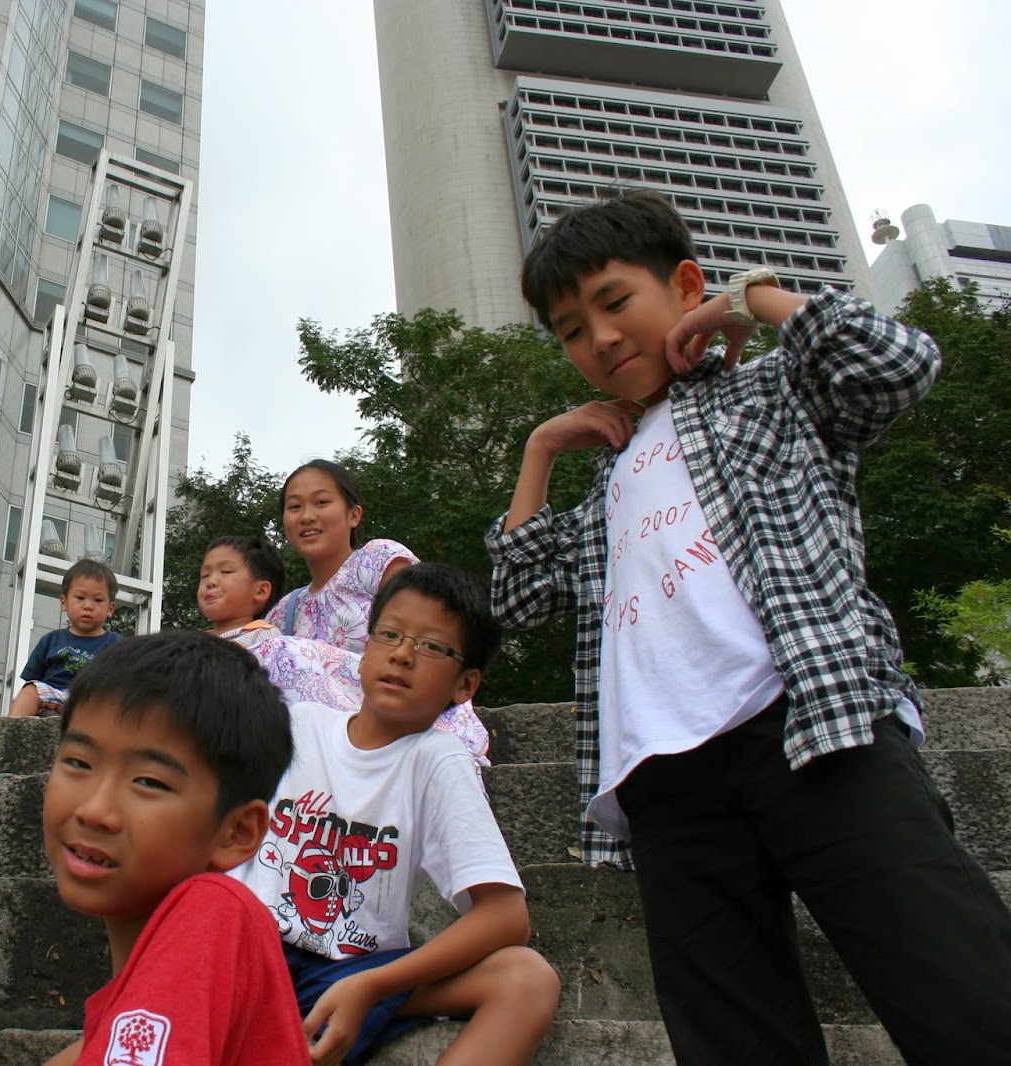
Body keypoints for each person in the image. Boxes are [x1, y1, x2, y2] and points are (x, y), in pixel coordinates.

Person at [486, 186, 1011, 1064]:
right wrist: (541, 450)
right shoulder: (609, 477)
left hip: (815, 725)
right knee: (734, 1041)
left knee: (960, 989)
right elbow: (517, 596)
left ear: (685, 285)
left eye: (615, 302)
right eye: (572, 329)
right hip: (663, 776)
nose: (600, 338)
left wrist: (753, 296)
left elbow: (897, 363)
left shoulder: (767, 391)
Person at [232, 563, 559, 1065]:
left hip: (350, 975)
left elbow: (506, 917)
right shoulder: (296, 725)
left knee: (528, 978)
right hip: (245, 950)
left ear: (465, 684)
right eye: (389, 634)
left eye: (431, 646)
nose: (402, 654)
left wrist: (372, 985)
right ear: (365, 648)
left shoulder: (438, 760)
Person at [42, 631, 311, 1066]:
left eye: (149, 782)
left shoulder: (214, 908)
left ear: (237, 832)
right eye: (78, 763)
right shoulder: (126, 1012)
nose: (94, 810)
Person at [266, 460, 489, 763]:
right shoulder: (285, 611)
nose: (307, 516)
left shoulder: (378, 560)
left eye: (321, 502)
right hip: (329, 743)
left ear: (354, 515)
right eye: (294, 507)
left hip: (403, 715)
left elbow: (425, 637)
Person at [202, 535, 396, 719]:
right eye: (204, 575)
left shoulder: (265, 639)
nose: (211, 582)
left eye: (226, 572)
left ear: (261, 590)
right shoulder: (196, 641)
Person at [8, 559, 124, 718]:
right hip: (54, 696)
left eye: (98, 600)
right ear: (64, 602)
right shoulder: (51, 640)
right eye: (80, 598)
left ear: (110, 608)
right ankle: (9, 728)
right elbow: (33, 679)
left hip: (91, 701)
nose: (88, 606)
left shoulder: (115, 644)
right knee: (30, 690)